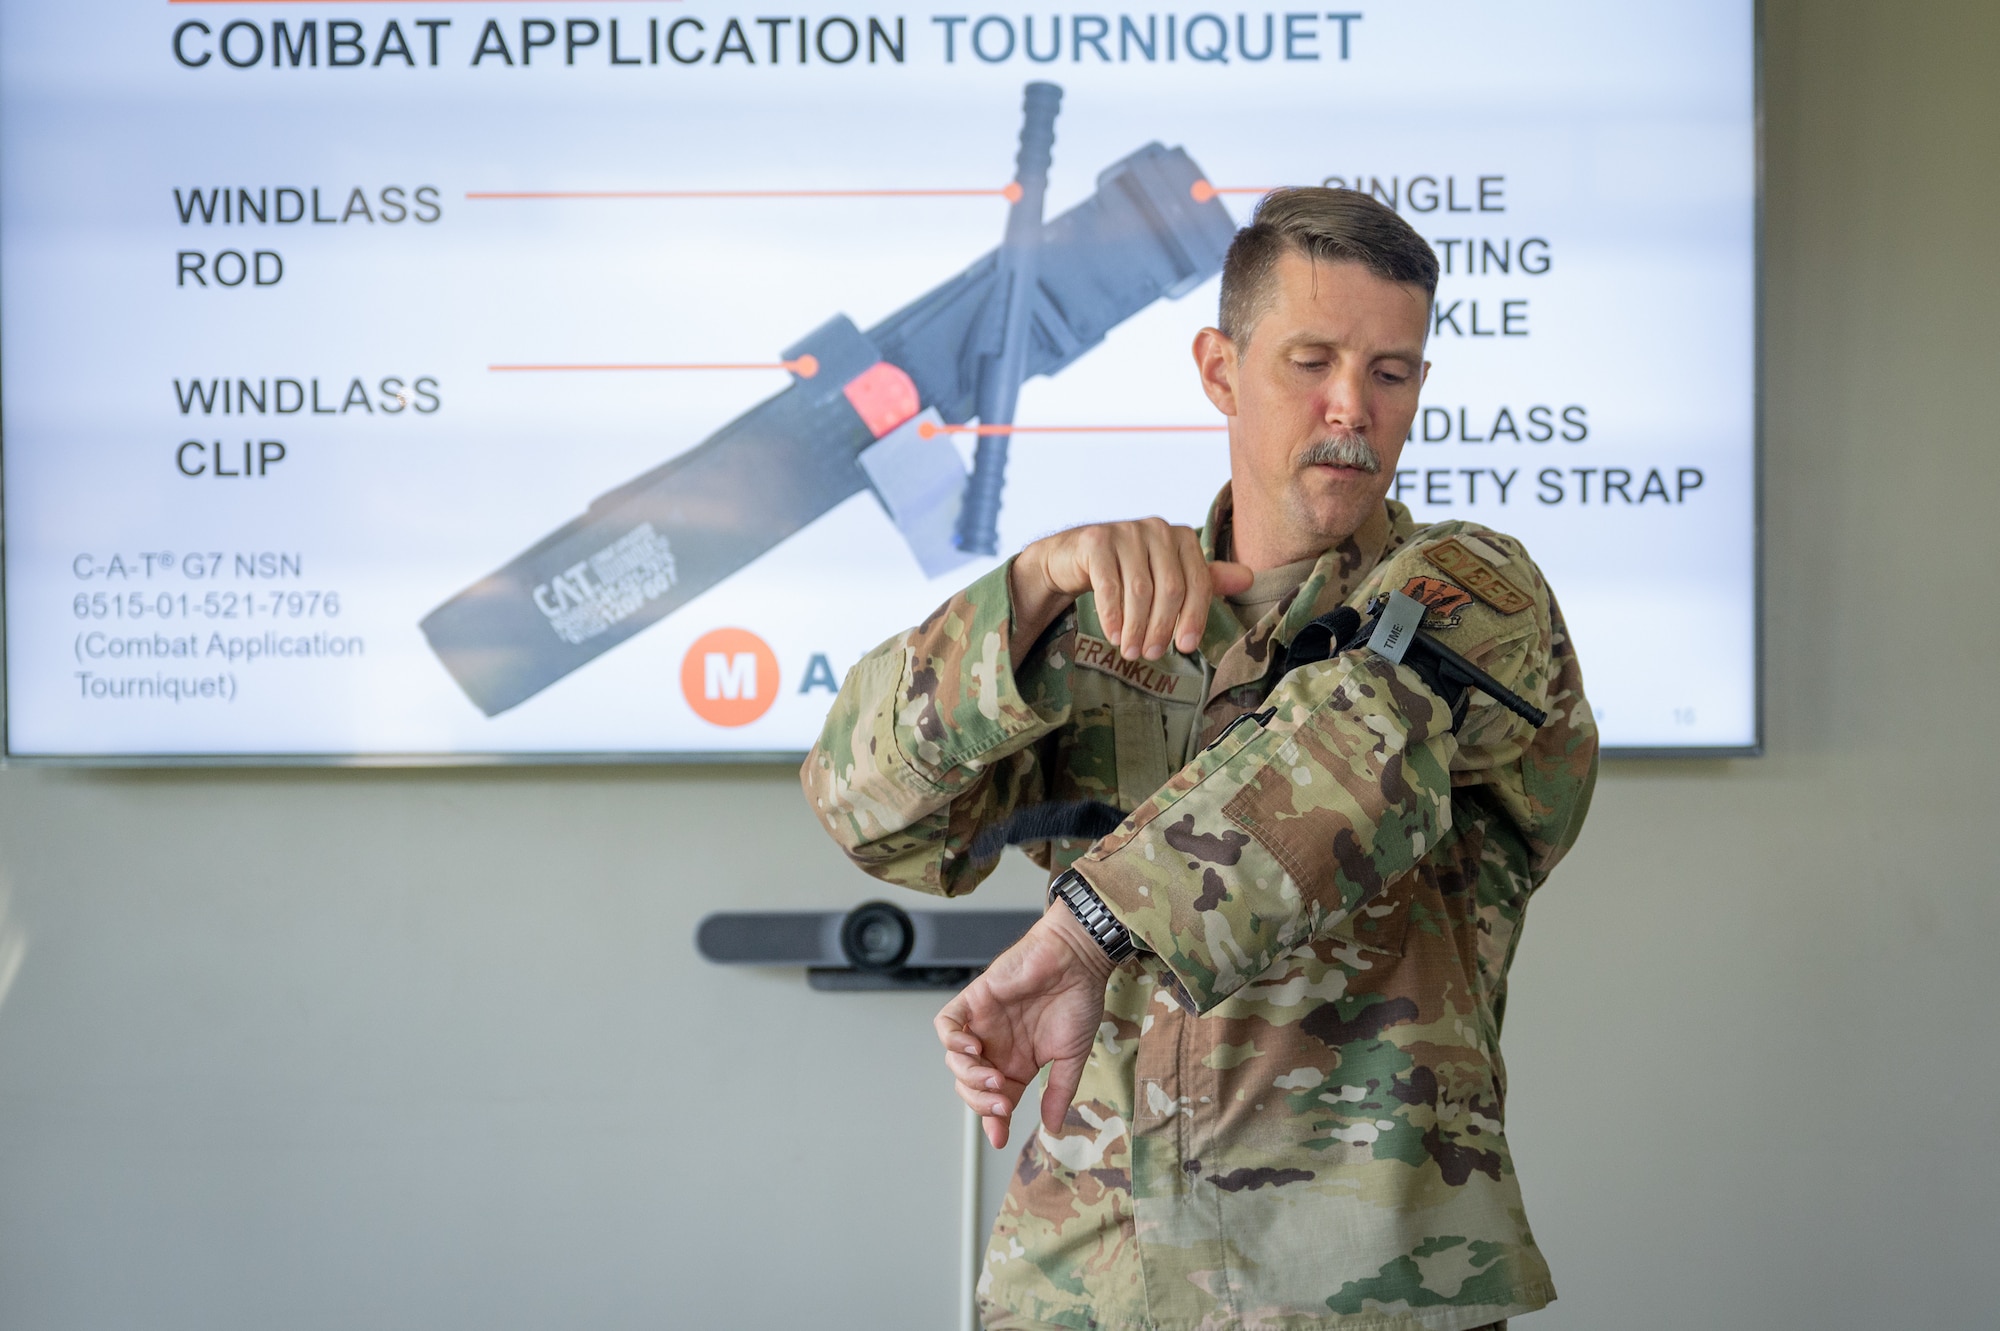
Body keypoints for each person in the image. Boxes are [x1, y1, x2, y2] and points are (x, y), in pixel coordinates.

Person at [802, 187, 1598, 1331]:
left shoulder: (1475, 599)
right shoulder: (1100, 619)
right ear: (1219, 371)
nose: (1351, 407)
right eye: (1310, 359)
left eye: (1390, 371)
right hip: (1089, 1277)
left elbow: (1349, 746)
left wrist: (1080, 939)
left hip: (1364, 1285)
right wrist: (1027, 588)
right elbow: (858, 802)